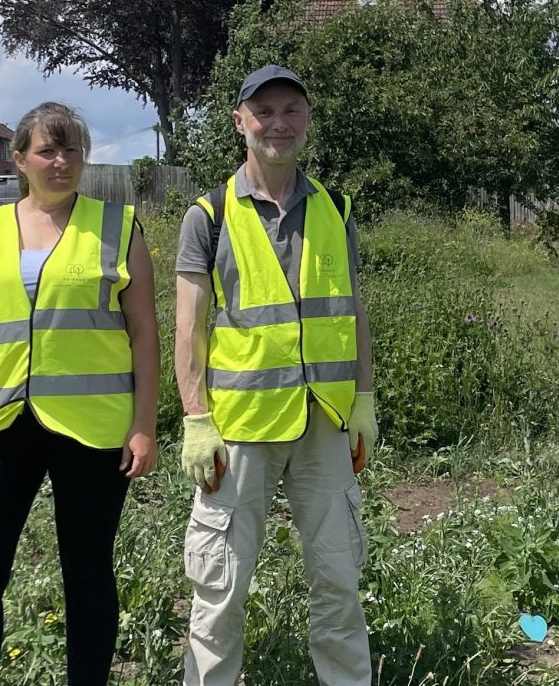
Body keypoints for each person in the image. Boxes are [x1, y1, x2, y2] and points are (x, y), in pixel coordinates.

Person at [0, 102, 159, 686]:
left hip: (92, 425)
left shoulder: (118, 227)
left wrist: (144, 424)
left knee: (86, 573)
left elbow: (144, 334)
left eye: (72, 150)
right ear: (20, 158)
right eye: (47, 151)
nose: (61, 162)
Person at [176, 64, 376, 686]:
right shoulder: (207, 215)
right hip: (240, 429)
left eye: (292, 110)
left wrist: (364, 399)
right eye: (264, 112)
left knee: (340, 582)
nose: (278, 124)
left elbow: (352, 310)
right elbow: (189, 327)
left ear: (307, 121)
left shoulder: (335, 208)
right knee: (221, 591)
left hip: (324, 424)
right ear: (240, 122)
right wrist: (196, 419)